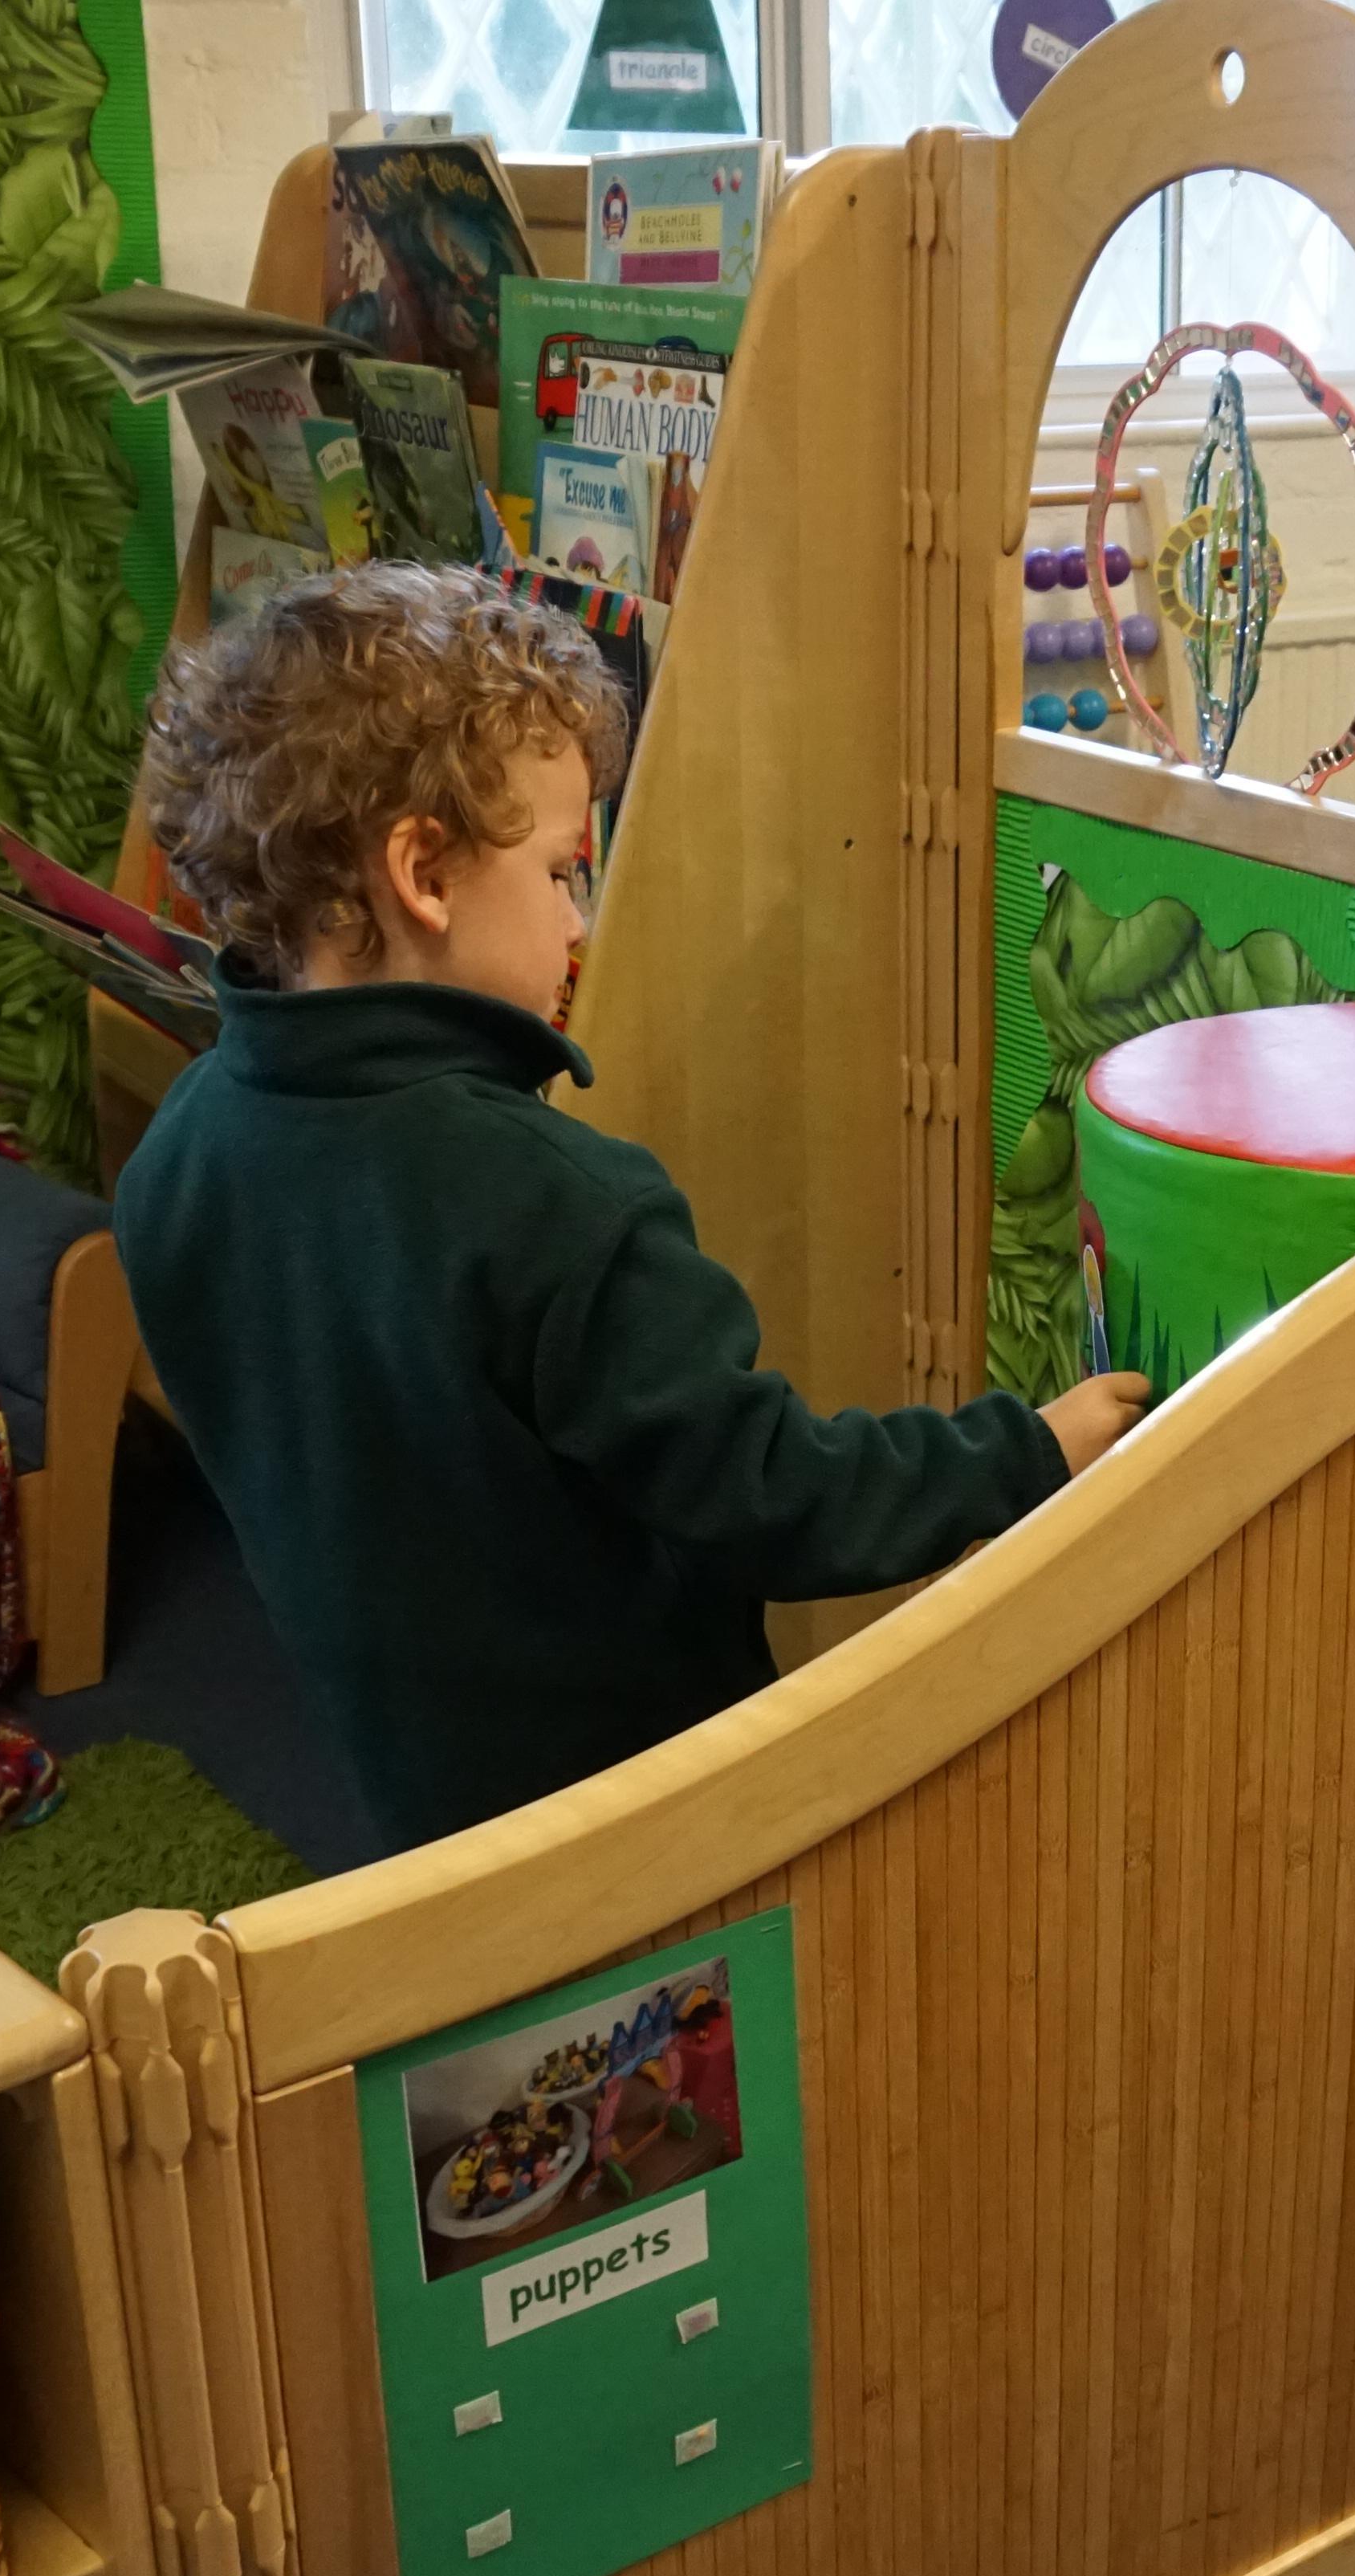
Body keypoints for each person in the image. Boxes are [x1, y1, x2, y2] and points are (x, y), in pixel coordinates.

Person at [117, 565, 1148, 1853]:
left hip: (408, 1797)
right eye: (562, 870)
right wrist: (1030, 1452)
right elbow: (775, 1496)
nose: (576, 919)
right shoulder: (558, 1206)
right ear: (423, 873)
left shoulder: (178, 1154)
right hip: (641, 1821)